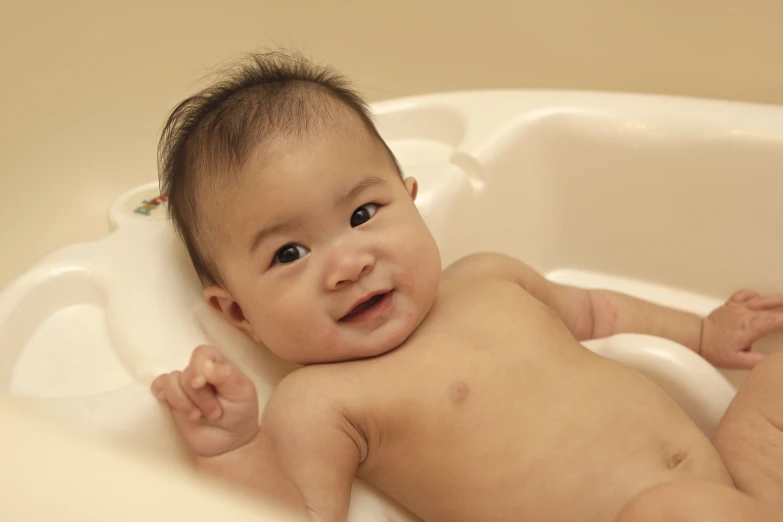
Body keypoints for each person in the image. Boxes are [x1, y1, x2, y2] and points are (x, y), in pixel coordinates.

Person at [150, 51, 783, 522]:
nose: (348, 265)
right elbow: (296, 515)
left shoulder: (487, 276)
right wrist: (231, 449)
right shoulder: (319, 402)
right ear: (238, 315)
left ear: (412, 200)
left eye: (364, 214)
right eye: (290, 253)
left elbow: (598, 312)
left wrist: (703, 332)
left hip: (725, 486)